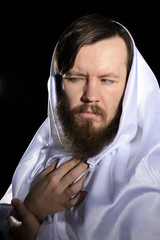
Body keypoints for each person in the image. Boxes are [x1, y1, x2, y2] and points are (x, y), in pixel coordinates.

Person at [0, 14, 160, 240]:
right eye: (75, 78)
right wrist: (30, 209)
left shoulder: (153, 176)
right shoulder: (42, 149)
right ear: (58, 84)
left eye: (107, 80)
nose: (90, 96)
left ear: (131, 87)